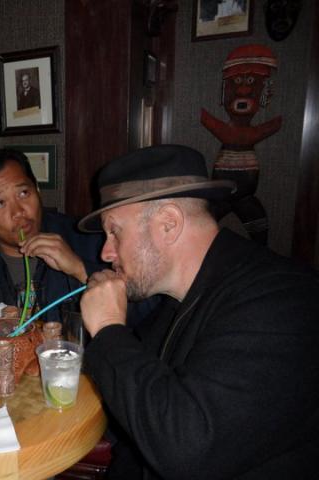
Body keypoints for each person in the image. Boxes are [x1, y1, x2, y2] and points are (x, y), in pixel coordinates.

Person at [77, 144, 319, 479]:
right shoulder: (179, 300)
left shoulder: (284, 301)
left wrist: (107, 327)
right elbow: (135, 418)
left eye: (114, 232)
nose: (105, 253)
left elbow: (186, 451)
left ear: (168, 223)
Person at [0, 148, 112, 324]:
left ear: (37, 189)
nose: (18, 212)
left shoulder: (93, 242)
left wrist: (80, 269)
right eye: (0, 203)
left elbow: (130, 312)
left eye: (23, 193)